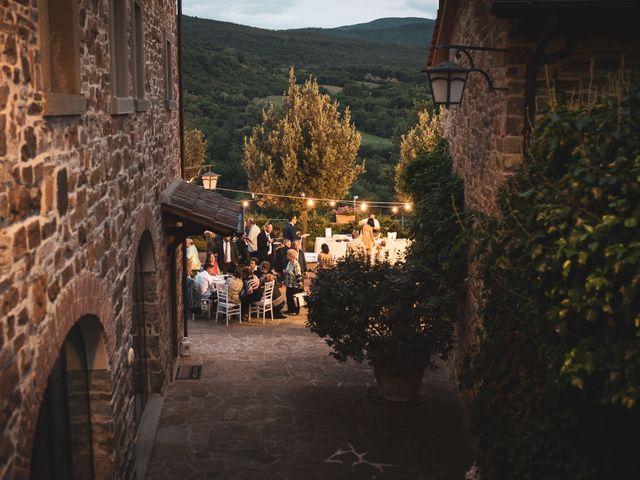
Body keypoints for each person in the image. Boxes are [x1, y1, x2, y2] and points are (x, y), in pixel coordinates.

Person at [284, 249, 303, 315]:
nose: (286, 256)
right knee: (289, 297)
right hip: (289, 283)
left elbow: (298, 274)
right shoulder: (289, 262)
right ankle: (290, 310)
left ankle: (295, 311)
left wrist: (299, 284)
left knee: (294, 298)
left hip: (294, 284)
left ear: (291, 256)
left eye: (288, 254)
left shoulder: (296, 263)